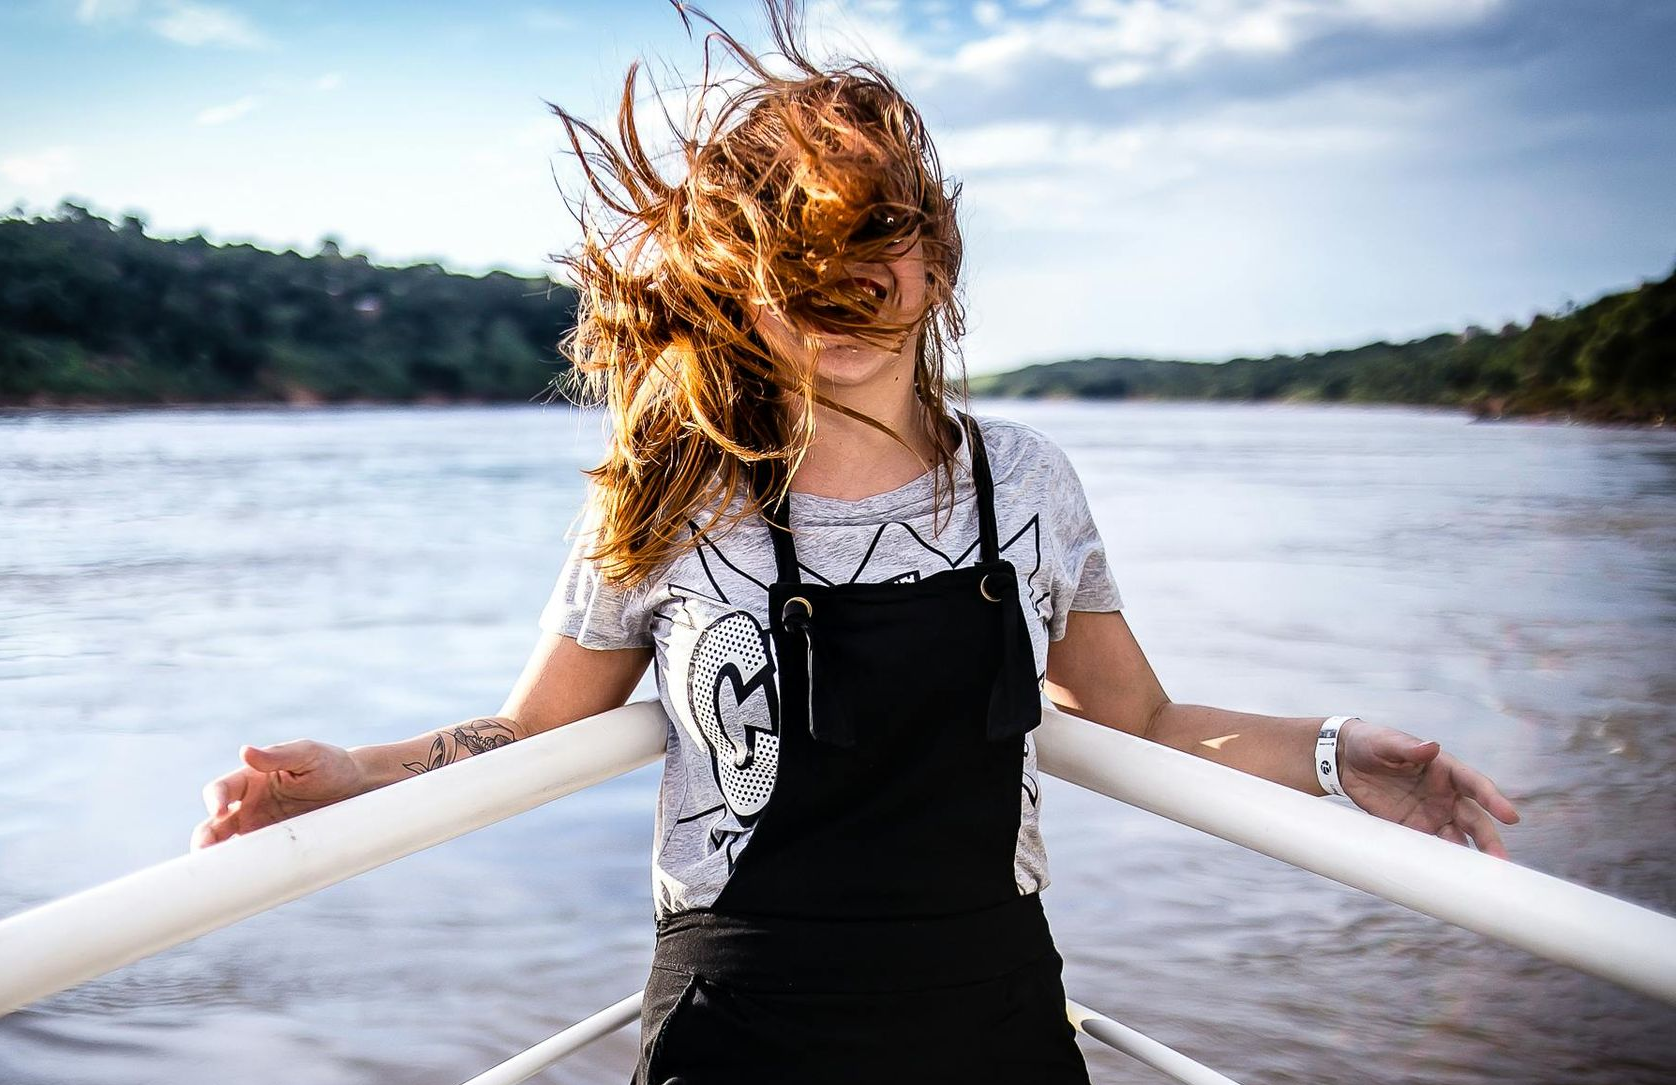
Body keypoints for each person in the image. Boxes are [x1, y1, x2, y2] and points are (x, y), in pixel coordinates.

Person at [189, 3, 1521, 1081]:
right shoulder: (672, 489)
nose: (841, 282)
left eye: (871, 235)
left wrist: (1344, 758)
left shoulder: (1030, 482)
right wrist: (354, 772)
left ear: (933, 255)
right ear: (745, 285)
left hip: (992, 1019)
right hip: (742, 1030)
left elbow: (1148, 722)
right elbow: (532, 731)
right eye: (795, 251)